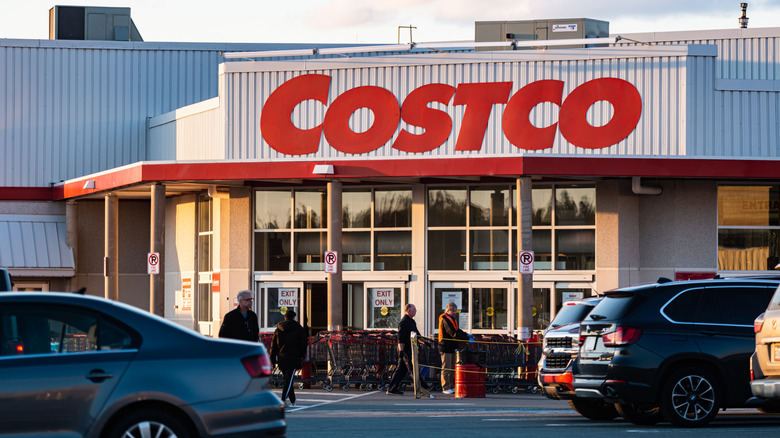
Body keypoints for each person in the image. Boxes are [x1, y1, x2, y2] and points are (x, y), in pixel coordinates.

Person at [386, 303, 434, 398]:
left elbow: (417, 335)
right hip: (405, 350)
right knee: (413, 368)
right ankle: (424, 386)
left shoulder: (411, 321)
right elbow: (401, 338)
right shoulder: (404, 322)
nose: (415, 311)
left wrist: (425, 342)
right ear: (408, 310)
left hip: (411, 348)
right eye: (414, 309)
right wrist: (401, 350)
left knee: (401, 370)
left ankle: (392, 388)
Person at [270, 309, 308, 408]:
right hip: (293, 357)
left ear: (285, 317)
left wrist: (272, 360)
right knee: (288, 380)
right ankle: (283, 400)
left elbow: (273, 346)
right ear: (294, 317)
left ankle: (293, 400)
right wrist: (302, 355)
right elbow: (303, 344)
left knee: (288, 379)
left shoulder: (278, 329)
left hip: (282, 357)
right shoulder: (299, 328)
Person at [438, 301, 467, 394]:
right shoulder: (445, 319)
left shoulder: (452, 318)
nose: (455, 312)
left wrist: (466, 335)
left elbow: (457, 330)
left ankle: (451, 386)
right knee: (446, 368)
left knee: (452, 367)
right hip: (445, 346)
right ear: (448, 310)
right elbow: (453, 333)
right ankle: (445, 387)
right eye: (453, 311)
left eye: (455, 310)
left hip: (452, 346)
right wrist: (465, 338)